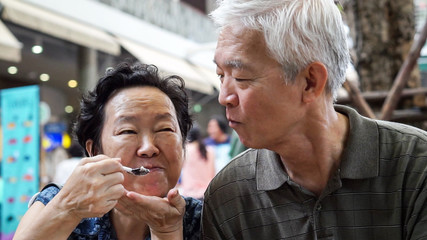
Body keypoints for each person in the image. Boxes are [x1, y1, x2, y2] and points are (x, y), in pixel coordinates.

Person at [201, 0, 427, 239]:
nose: (224, 97)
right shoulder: (229, 196)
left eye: (241, 77)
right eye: (220, 75)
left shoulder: (416, 167)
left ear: (310, 82)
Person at [14, 62, 201, 240]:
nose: (148, 148)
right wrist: (67, 208)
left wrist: (167, 231)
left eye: (164, 129)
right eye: (128, 131)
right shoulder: (59, 203)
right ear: (95, 150)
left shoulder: (206, 220)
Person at [179, 125, 215, 200]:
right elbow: (213, 173)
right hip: (207, 193)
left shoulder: (185, 151)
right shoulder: (210, 150)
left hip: (190, 194)